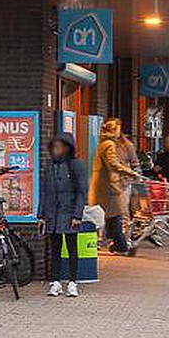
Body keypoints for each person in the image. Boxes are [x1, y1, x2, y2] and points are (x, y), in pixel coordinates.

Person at [36, 134, 88, 297]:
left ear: (67, 148)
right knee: (55, 249)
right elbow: (44, 192)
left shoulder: (76, 165)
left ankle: (72, 282)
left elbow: (81, 192)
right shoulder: (50, 167)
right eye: (54, 147)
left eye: (59, 147)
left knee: (72, 248)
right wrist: (41, 215)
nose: (56, 150)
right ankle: (55, 282)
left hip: (69, 213)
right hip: (53, 214)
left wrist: (77, 215)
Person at [92, 120, 136, 258]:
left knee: (111, 216)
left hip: (103, 185)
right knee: (116, 215)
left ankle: (116, 243)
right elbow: (113, 163)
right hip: (109, 186)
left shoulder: (102, 143)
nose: (119, 132)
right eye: (118, 129)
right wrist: (130, 172)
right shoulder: (109, 144)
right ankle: (121, 245)